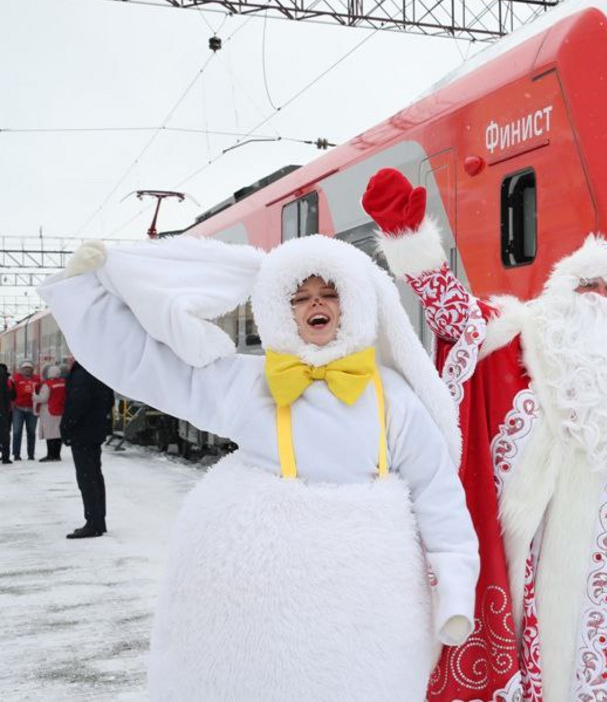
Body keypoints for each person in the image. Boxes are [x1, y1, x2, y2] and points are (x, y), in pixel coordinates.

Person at [38, 234, 480, 700]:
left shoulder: (391, 396)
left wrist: (453, 584)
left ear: (353, 304)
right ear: (280, 309)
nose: (317, 304)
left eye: (330, 294)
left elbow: (436, 490)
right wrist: (83, 295)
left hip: (362, 597)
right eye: (301, 297)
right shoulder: (252, 384)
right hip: (268, 600)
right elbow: (152, 367)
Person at [362, 168, 607, 701]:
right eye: (587, 285)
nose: (598, 297)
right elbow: (458, 320)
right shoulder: (519, 337)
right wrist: (412, 244)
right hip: (525, 553)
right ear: (561, 290)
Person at [59, 359, 114, 537]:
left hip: (82, 433)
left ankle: (93, 523)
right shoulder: (99, 369)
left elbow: (76, 404)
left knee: (87, 478)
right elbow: (109, 400)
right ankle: (99, 520)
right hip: (94, 431)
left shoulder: (82, 373)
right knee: (95, 476)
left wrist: (66, 427)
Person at [34, 364, 68, 461]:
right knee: (58, 434)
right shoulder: (63, 383)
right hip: (60, 411)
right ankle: (57, 455)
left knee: (49, 434)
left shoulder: (47, 384)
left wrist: (34, 397)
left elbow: (43, 398)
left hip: (49, 411)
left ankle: (50, 455)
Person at [10, 359, 40, 460]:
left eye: (29, 368)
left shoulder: (37, 379)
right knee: (17, 431)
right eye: (25, 368)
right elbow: (10, 389)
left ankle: (31, 454)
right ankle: (16, 454)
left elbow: (41, 391)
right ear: (21, 369)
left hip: (32, 408)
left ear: (32, 369)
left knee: (31, 432)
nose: (27, 370)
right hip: (18, 408)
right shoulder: (15, 378)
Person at [0, 363, 12, 464]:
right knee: (4, 435)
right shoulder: (3, 376)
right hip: (2, 410)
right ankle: (5, 457)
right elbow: (8, 395)